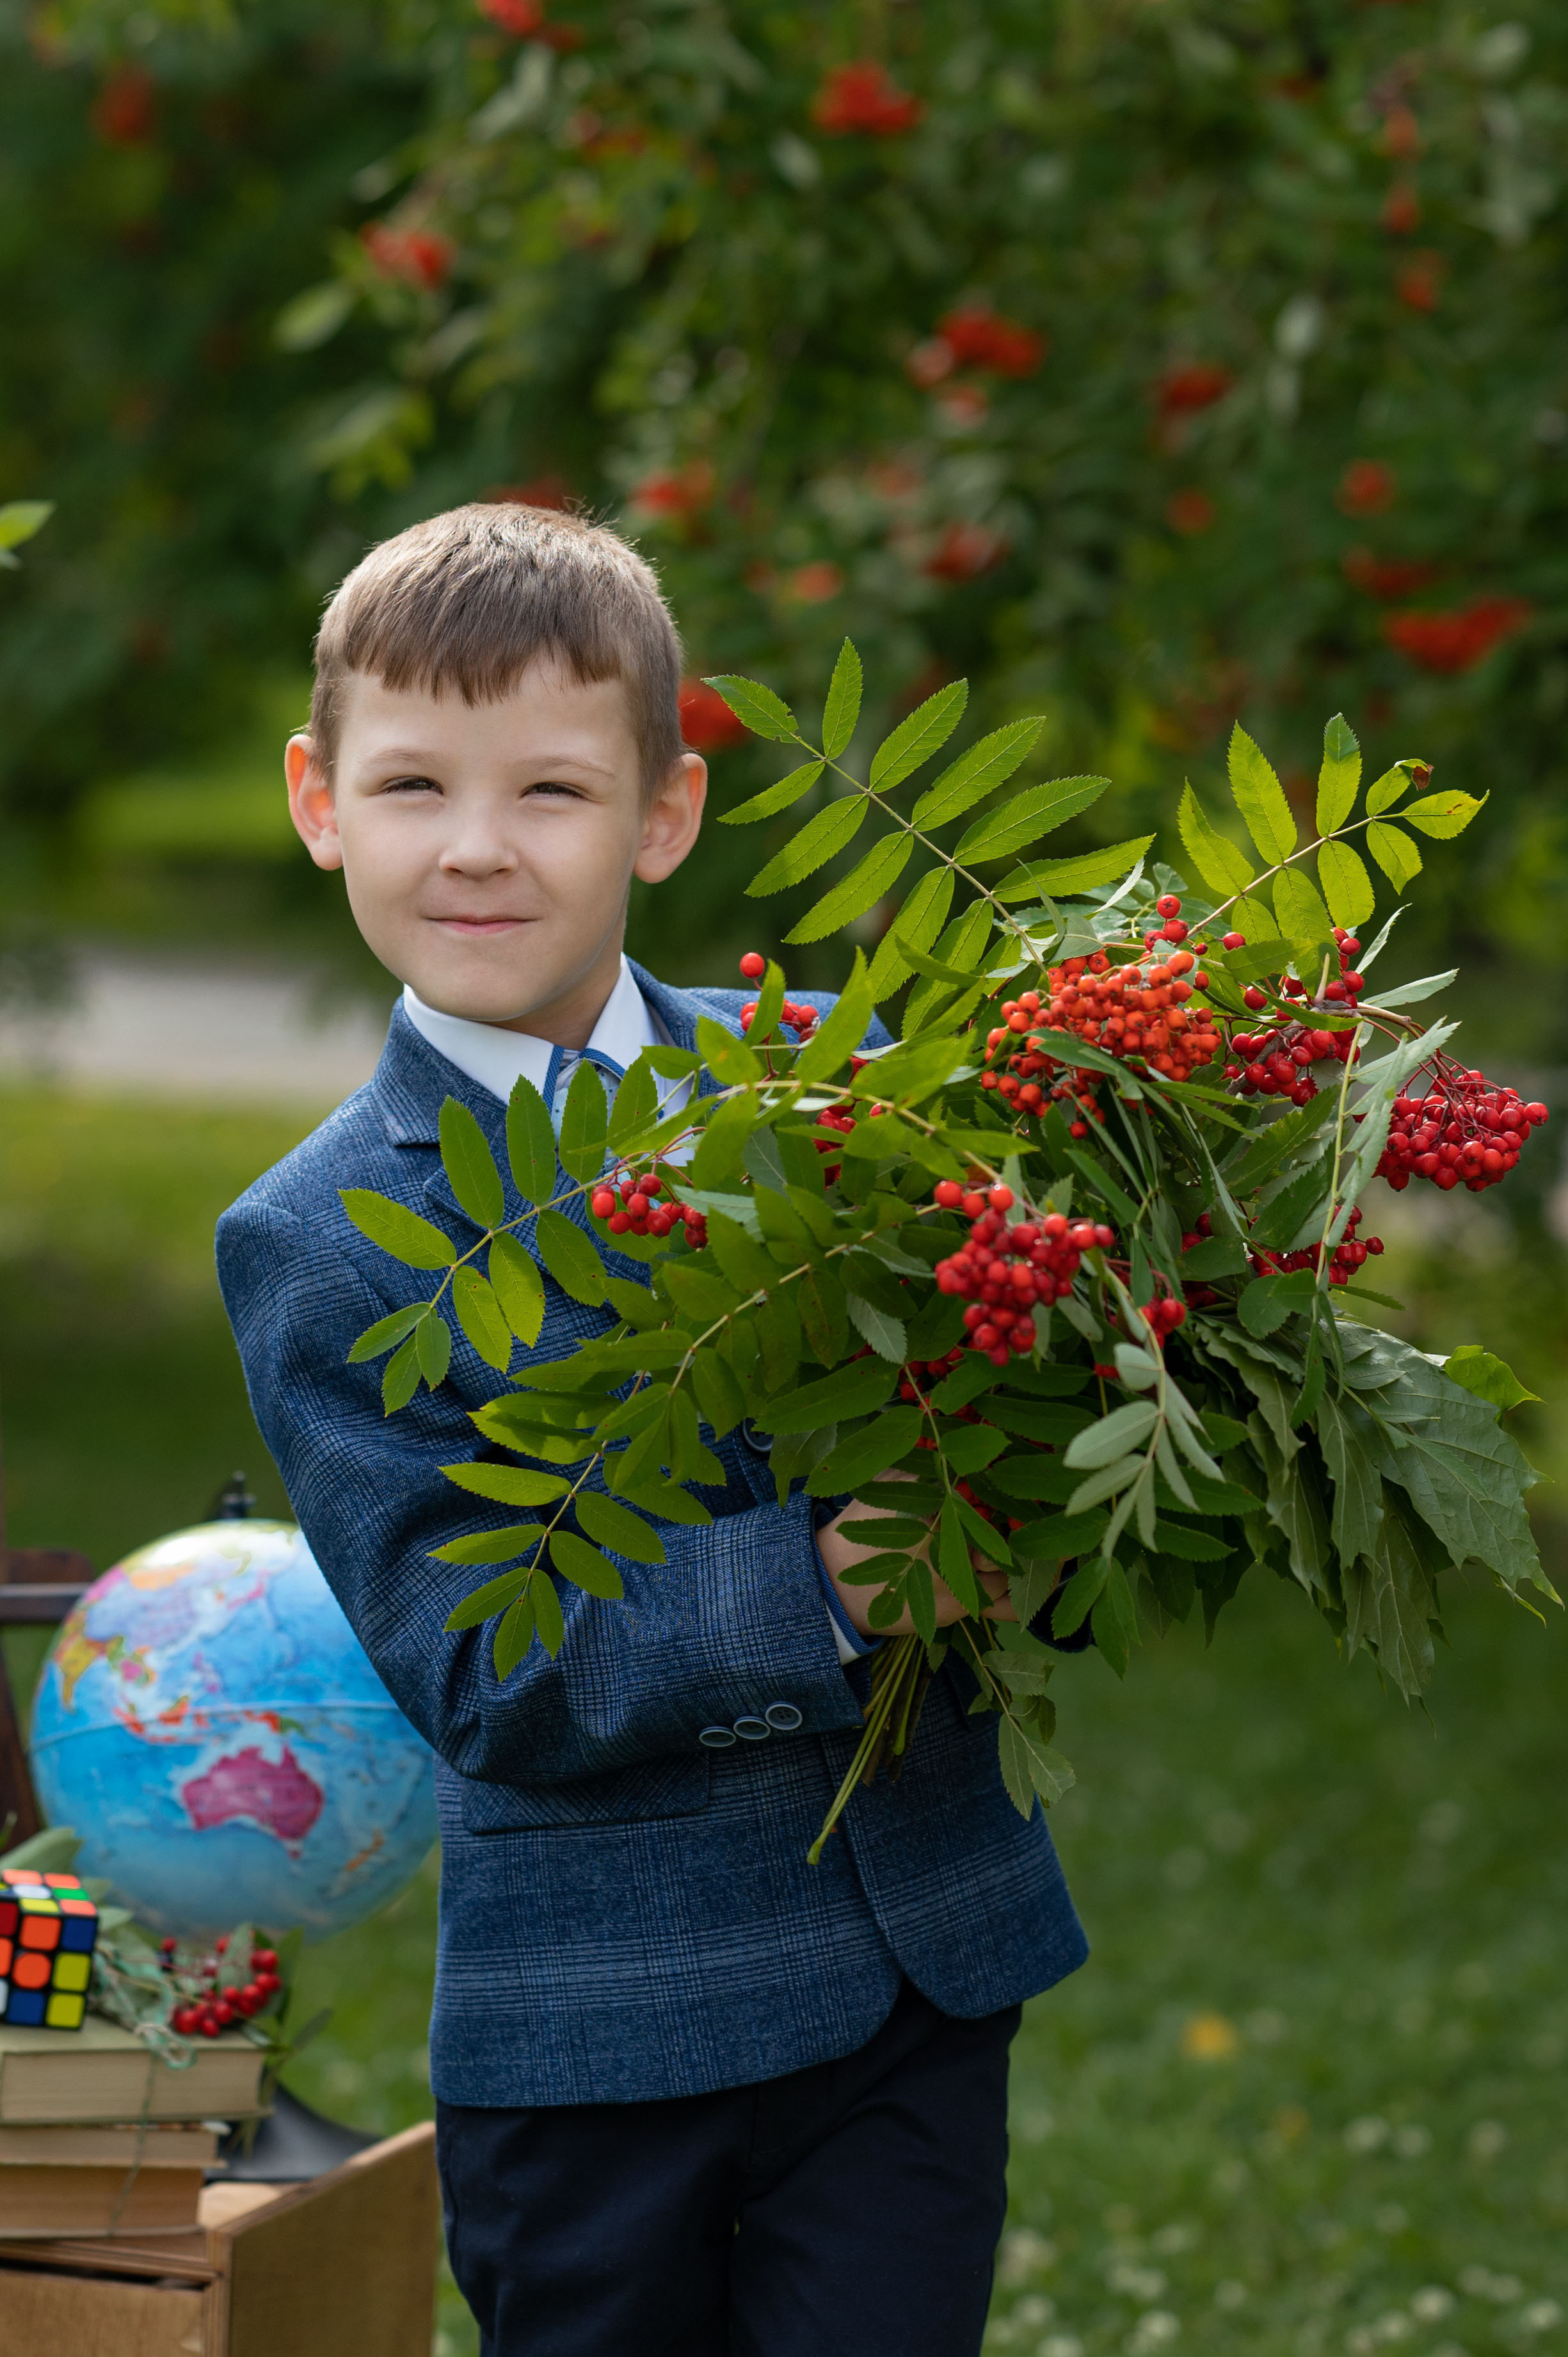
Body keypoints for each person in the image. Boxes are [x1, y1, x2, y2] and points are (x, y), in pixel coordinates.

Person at [216, 502, 1087, 2357]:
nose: (474, 848)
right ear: (317, 801)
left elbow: (1019, 1412)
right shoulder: (322, 1240)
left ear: (663, 811)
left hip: (911, 1989)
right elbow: (486, 1660)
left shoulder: (847, 1085)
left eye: (548, 790)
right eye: (411, 788)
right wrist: (834, 1576)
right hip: (606, 2045)